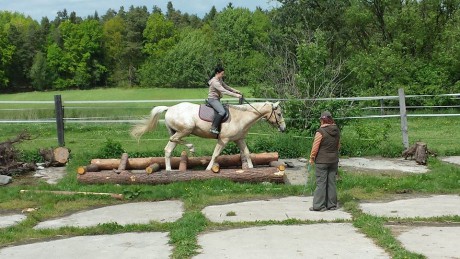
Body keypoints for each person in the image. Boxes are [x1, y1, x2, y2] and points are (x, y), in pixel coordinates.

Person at [308, 111, 341, 212]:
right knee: (331, 183)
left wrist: (312, 158)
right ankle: (332, 205)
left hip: (322, 161)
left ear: (322, 120)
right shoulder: (337, 130)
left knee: (321, 183)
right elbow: (338, 146)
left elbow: (315, 147)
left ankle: (319, 206)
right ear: (331, 119)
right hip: (334, 160)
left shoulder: (320, 131)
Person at [207, 66, 242, 134]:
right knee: (222, 112)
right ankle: (213, 127)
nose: (223, 75)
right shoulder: (214, 82)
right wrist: (236, 96)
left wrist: (235, 91)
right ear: (217, 73)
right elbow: (224, 91)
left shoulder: (219, 79)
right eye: (222, 74)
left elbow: (226, 87)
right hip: (213, 100)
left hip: (217, 99)